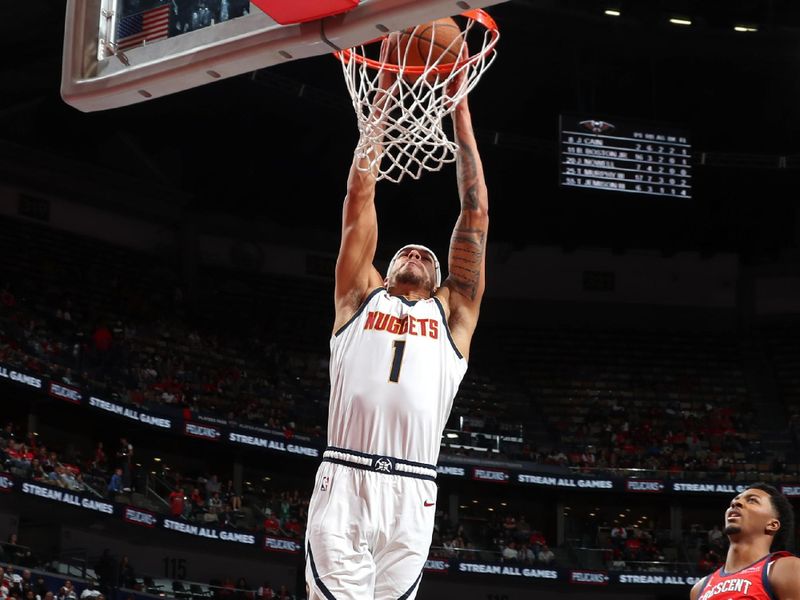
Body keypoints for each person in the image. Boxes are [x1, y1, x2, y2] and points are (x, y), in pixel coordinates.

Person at [304, 68, 488, 600]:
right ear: (384, 272)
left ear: (440, 281)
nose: (415, 254)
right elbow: (359, 196)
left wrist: (460, 109)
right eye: (405, 251)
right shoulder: (360, 297)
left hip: (415, 491)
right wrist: (380, 96)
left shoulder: (453, 317)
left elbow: (475, 216)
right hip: (347, 475)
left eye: (426, 257)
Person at [690, 483, 800, 600]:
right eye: (735, 499)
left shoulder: (787, 568)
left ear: (772, 524)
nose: (735, 503)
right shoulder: (699, 588)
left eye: (752, 500)